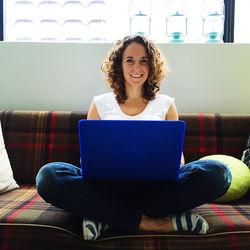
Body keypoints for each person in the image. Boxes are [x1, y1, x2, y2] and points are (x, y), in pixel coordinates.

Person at [36, 35, 232, 241]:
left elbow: (179, 160)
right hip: (107, 189)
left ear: (152, 66)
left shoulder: (166, 105)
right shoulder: (100, 104)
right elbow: (88, 159)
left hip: (156, 190)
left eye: (144, 60)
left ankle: (107, 217)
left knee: (219, 172)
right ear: (119, 65)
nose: (137, 67)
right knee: (48, 176)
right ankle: (148, 222)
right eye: (130, 60)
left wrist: (169, 163)